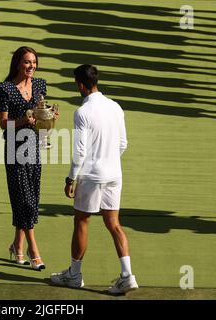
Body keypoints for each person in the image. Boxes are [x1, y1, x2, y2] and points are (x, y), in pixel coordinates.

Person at [50, 65, 138, 294]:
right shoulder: (115, 107)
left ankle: (74, 275)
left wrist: (71, 178)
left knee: (81, 221)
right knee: (114, 224)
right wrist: (108, 160)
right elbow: (123, 144)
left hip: (91, 176)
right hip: (114, 175)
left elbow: (80, 152)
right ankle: (127, 275)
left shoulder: (82, 113)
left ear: (80, 84)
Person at [0, 47, 52, 270]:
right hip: (15, 149)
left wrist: (47, 116)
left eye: (34, 62)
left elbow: (40, 112)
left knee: (30, 199)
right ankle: (33, 251)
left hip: (34, 147)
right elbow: (3, 124)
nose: (32, 66)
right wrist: (24, 120)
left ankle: (17, 247)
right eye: (27, 62)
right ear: (18, 63)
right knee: (25, 200)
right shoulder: (5, 89)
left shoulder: (39, 85)